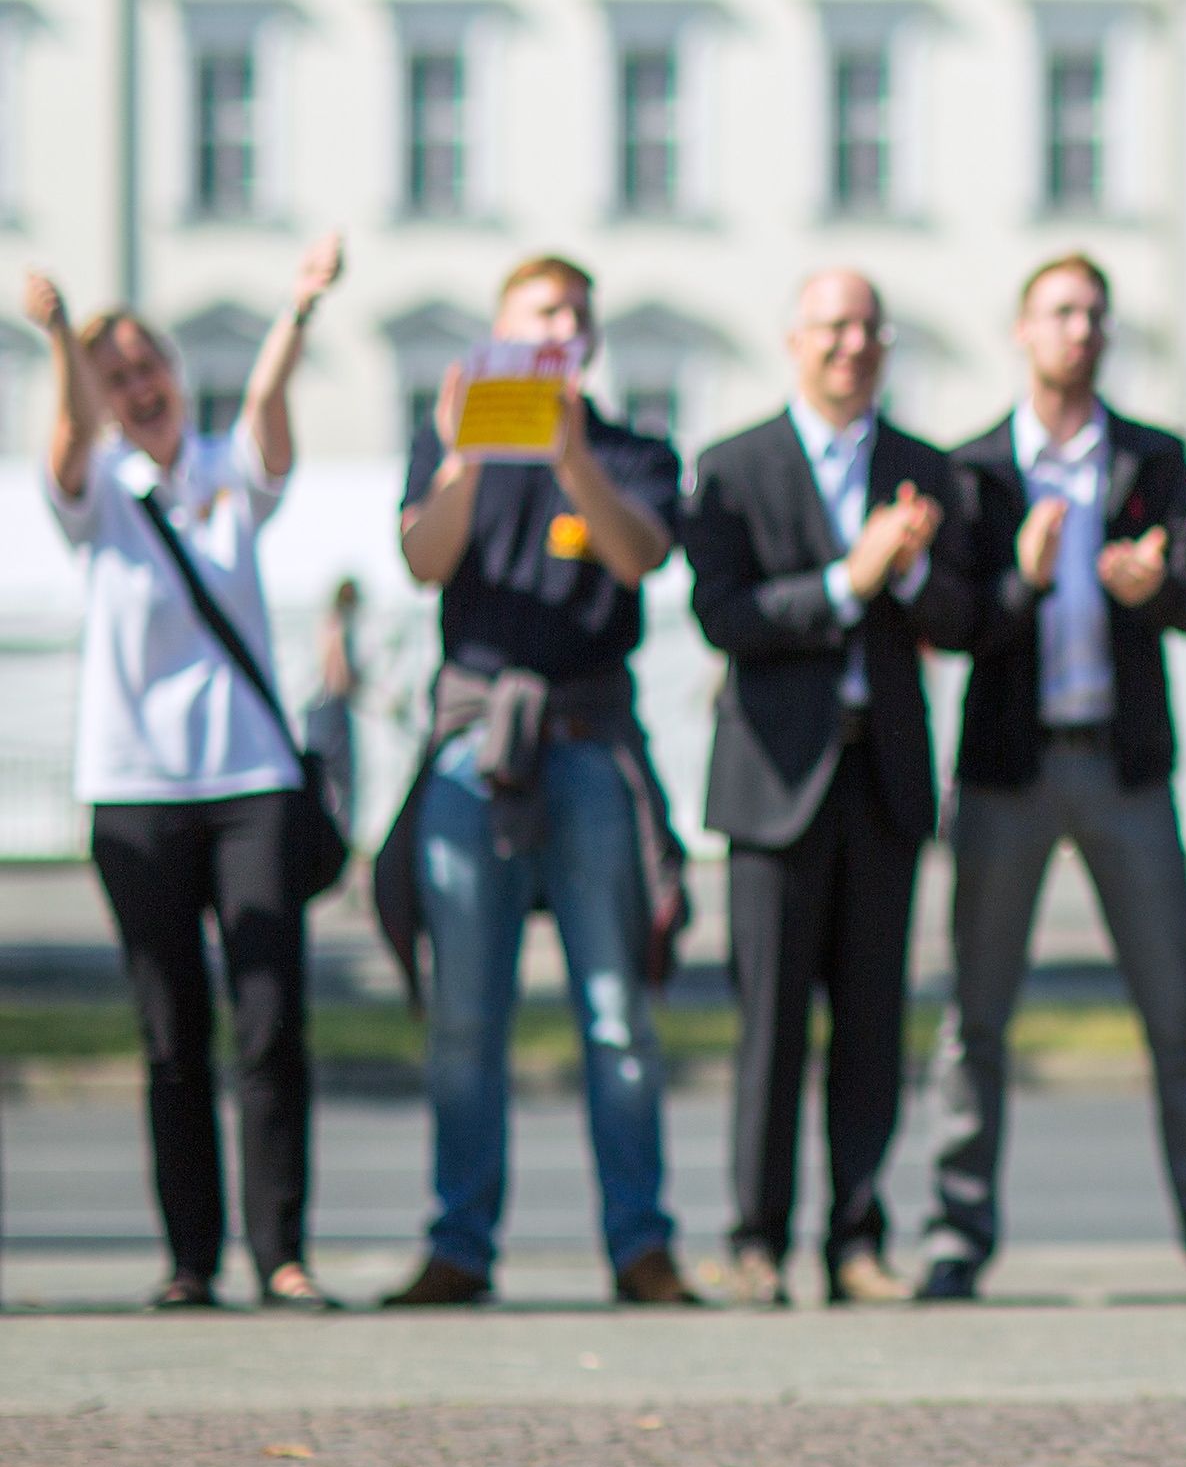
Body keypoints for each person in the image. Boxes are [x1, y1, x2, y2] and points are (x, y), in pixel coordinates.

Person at [920, 254, 1186, 1303]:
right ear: (1022, 331)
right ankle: (955, 1237)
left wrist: (1160, 585)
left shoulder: (1151, 458)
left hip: (1121, 767)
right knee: (974, 1016)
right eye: (1060, 312)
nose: (1080, 328)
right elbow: (952, 622)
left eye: (1094, 314)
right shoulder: (973, 467)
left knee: (1178, 1015)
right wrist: (1022, 582)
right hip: (1005, 771)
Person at [24, 237, 347, 1312]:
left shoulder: (224, 473)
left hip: (250, 781)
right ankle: (191, 1258)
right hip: (136, 790)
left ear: (173, 370)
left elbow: (266, 405)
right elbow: (66, 432)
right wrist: (61, 337)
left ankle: (283, 1250)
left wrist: (297, 312)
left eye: (146, 366)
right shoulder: (96, 493)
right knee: (171, 1034)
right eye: (115, 377)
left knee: (269, 1019)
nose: (137, 387)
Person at [373, 254, 698, 1309]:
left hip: (590, 739)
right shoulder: (452, 442)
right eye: (538, 311)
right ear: (498, 334)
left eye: (573, 313)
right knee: (468, 1016)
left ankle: (639, 1244)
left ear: (588, 342)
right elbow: (424, 560)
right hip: (478, 744)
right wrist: (465, 454)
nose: (560, 323)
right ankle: (459, 1242)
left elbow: (638, 554)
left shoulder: (630, 446)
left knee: (617, 1015)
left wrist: (571, 457)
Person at [682, 269, 976, 1308]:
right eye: (832, 327)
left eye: (868, 328)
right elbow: (723, 613)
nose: (852, 345)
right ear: (793, 339)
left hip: (881, 772)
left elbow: (965, 612)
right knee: (769, 1027)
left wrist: (906, 576)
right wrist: (845, 582)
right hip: (773, 781)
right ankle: (756, 1237)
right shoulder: (731, 467)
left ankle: (856, 1238)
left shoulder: (924, 469)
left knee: (871, 1022)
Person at [304, 576, 363, 843]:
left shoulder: (327, 621)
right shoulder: (338, 623)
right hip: (332, 709)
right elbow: (336, 672)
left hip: (319, 709)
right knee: (340, 784)